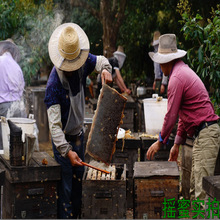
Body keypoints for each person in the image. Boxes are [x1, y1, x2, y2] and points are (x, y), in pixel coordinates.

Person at [44, 23, 112, 219]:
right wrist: (67, 151)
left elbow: (100, 61)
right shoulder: (53, 86)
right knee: (65, 189)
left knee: (78, 186)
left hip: (79, 137)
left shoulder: (83, 61)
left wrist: (106, 69)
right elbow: (55, 129)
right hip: (63, 143)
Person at [146, 34, 220, 208]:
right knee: (195, 191)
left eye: (159, 61)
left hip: (207, 133)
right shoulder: (180, 72)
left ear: (166, 61)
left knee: (202, 195)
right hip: (202, 134)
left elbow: (171, 115)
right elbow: (183, 116)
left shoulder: (176, 79)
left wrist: (160, 141)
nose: (159, 65)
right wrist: (176, 145)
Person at [0, 39, 26, 150]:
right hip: (18, 108)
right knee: (16, 142)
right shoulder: (17, 67)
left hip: (4, 108)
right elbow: (21, 90)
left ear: (4, 49)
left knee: (3, 144)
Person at [151, 31, 168, 96]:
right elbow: (156, 69)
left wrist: (163, 84)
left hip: (164, 81)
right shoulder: (155, 54)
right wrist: (155, 81)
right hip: (158, 81)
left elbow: (166, 70)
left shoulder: (164, 54)